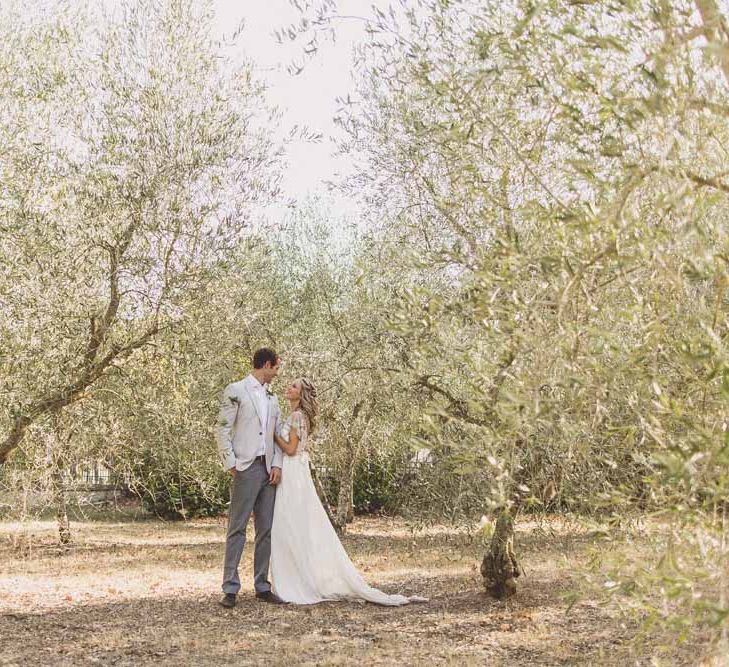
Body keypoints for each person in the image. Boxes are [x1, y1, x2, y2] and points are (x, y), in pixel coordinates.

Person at [270, 377, 427, 606]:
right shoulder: (300, 416)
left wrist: (272, 433)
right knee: (297, 524)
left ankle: (297, 580)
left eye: (294, 386)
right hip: (298, 471)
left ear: (301, 394)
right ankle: (301, 574)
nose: (289, 387)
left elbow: (291, 450)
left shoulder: (296, 416)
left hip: (293, 471)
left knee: (290, 524)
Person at [216, 347, 287, 608]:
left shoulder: (273, 398)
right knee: (237, 528)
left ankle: (262, 585)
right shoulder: (236, 390)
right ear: (266, 365)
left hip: (268, 469)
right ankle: (230, 587)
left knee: (265, 529)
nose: (277, 373)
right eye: (276, 368)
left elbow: (277, 434)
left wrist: (277, 464)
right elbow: (222, 429)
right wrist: (231, 463)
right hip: (245, 467)